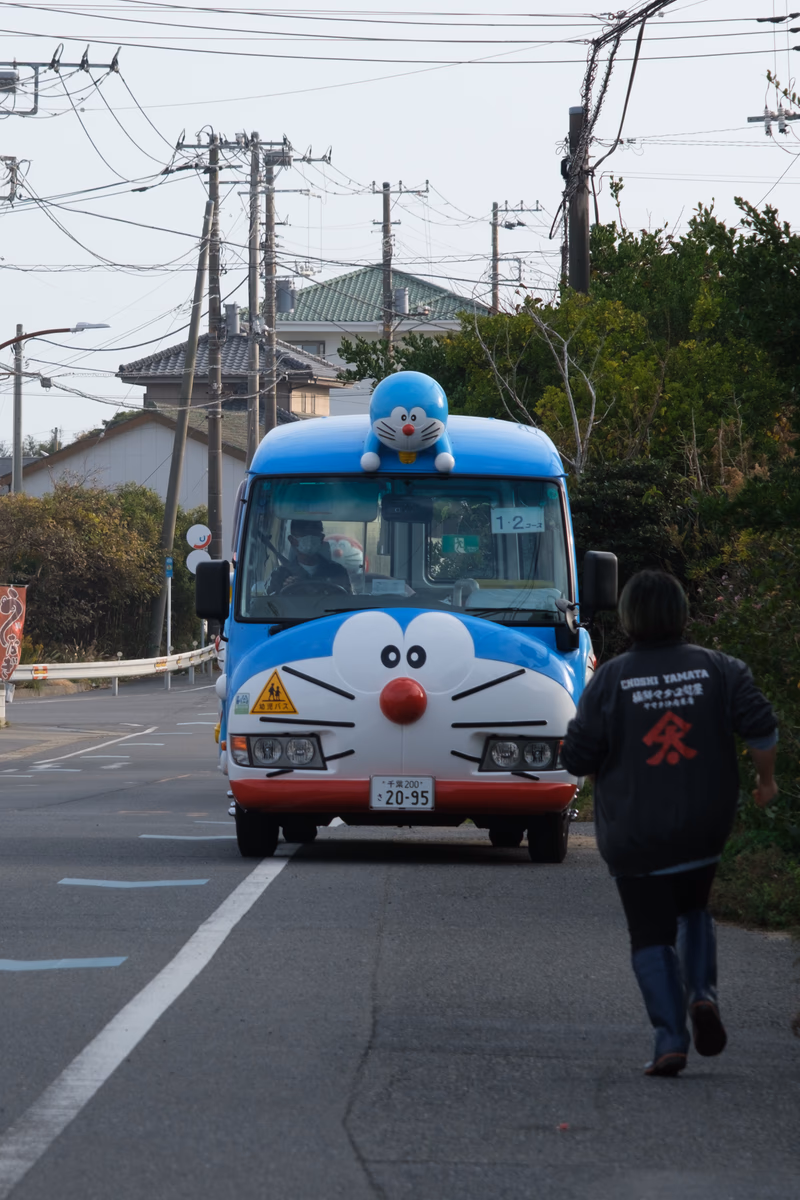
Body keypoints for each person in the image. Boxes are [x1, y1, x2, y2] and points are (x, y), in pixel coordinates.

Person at [561, 570, 778, 1077]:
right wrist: (765, 782)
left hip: (635, 833)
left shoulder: (611, 679)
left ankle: (669, 1038)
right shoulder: (719, 669)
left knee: (650, 933)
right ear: (681, 613)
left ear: (629, 616)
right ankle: (702, 994)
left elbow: (577, 755)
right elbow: (761, 726)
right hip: (704, 824)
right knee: (694, 908)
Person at [267, 519, 351, 595]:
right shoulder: (279, 574)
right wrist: (285, 588)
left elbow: (347, 602)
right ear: (292, 540)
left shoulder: (337, 571)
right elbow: (271, 606)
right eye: (303, 534)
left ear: (321, 539)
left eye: (314, 534)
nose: (309, 539)